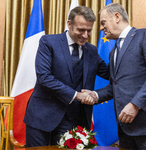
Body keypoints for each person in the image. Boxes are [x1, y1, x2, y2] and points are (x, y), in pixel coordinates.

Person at [82, 3, 146, 150]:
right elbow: (116, 86)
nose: (101, 28)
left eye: (103, 22)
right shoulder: (113, 52)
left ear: (117, 17)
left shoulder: (145, 35)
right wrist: (95, 95)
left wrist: (135, 104)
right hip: (125, 129)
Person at [23, 6, 109, 147]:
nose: (85, 35)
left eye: (89, 30)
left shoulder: (92, 50)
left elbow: (109, 74)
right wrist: (76, 95)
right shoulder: (48, 42)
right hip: (41, 116)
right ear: (69, 24)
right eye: (81, 30)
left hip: (72, 120)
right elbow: (44, 77)